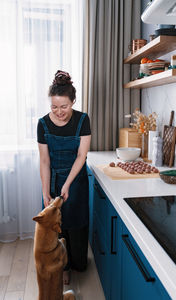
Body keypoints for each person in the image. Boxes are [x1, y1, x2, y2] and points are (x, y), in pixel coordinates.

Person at [37, 70, 91, 284]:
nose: (59, 112)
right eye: (54, 107)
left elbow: (81, 155)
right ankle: (64, 267)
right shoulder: (43, 124)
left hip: (76, 179)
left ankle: (77, 262)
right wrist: (45, 192)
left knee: (76, 223)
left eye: (64, 106)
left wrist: (68, 184)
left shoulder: (82, 120)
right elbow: (44, 161)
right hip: (52, 178)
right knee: (56, 226)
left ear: (73, 101)